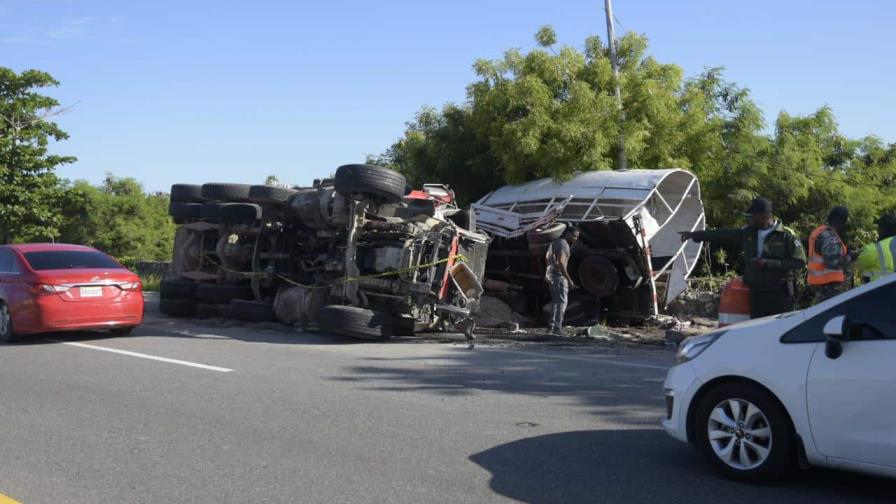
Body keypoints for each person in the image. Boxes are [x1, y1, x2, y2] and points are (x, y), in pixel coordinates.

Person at [680, 197, 806, 318]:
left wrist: (768, 263)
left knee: (778, 331)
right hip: (756, 293)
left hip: (780, 294)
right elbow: (722, 234)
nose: (749, 220)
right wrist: (694, 235)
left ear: (764, 216)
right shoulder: (748, 233)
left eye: (752, 217)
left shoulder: (786, 236)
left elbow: (799, 263)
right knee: (757, 330)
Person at [807, 206, 852, 304]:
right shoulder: (829, 235)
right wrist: (850, 257)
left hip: (821, 285)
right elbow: (833, 263)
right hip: (830, 287)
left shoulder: (818, 231)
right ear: (841, 221)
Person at [545, 225, 580, 336]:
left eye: (577, 237)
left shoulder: (554, 243)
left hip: (551, 276)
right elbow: (560, 262)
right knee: (562, 303)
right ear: (568, 234)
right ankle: (557, 328)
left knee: (555, 302)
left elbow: (547, 258)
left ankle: (551, 327)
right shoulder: (564, 245)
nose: (576, 239)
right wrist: (569, 280)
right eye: (574, 236)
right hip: (559, 277)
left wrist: (547, 274)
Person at [855, 214, 896, 284]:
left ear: (883, 229)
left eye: (879, 227)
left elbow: (854, 265)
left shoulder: (874, 249)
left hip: (880, 291)